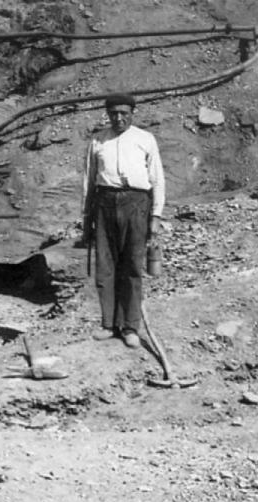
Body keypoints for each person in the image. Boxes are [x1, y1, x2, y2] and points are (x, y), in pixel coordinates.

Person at [82, 93, 165, 348]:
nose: (119, 118)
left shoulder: (145, 139)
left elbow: (157, 179)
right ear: (107, 114)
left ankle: (130, 327)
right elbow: (89, 180)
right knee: (105, 267)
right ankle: (108, 324)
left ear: (132, 113)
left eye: (124, 113)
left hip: (136, 204)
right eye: (113, 113)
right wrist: (87, 218)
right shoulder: (98, 140)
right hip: (104, 204)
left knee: (131, 266)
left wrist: (156, 216)